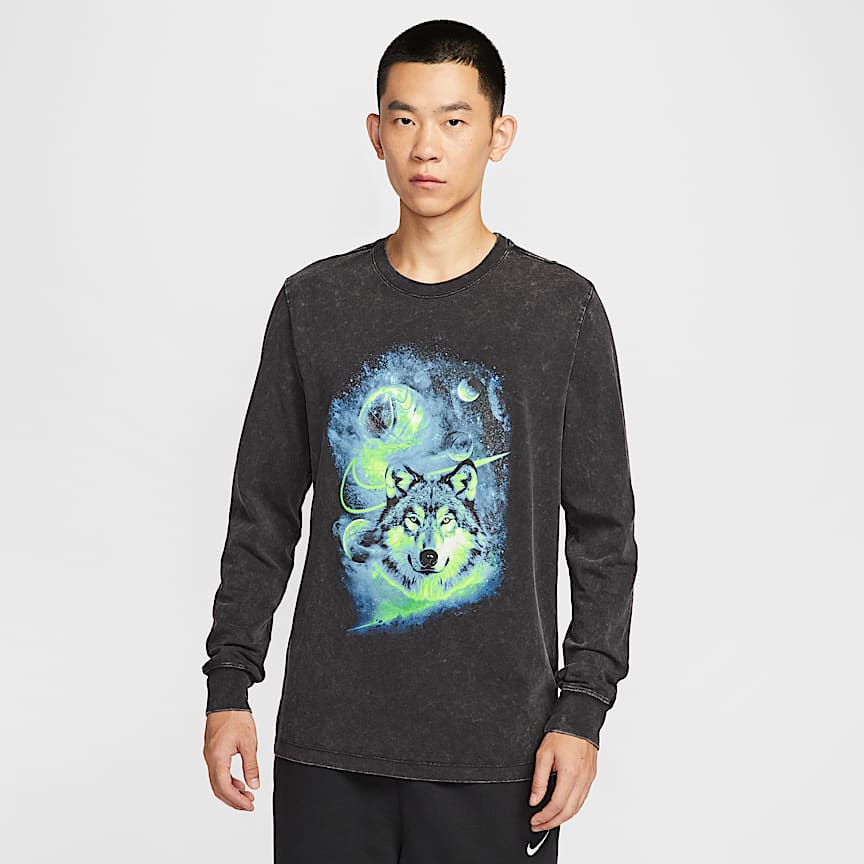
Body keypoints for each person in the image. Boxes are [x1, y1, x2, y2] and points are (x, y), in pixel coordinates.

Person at [201, 18, 638, 864]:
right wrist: (229, 683)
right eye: (404, 119)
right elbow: (262, 511)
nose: (426, 146)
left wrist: (583, 708)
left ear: (499, 135)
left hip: (502, 752)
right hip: (329, 743)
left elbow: (604, 533)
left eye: (454, 119)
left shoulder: (563, 312)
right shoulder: (314, 305)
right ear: (376, 134)